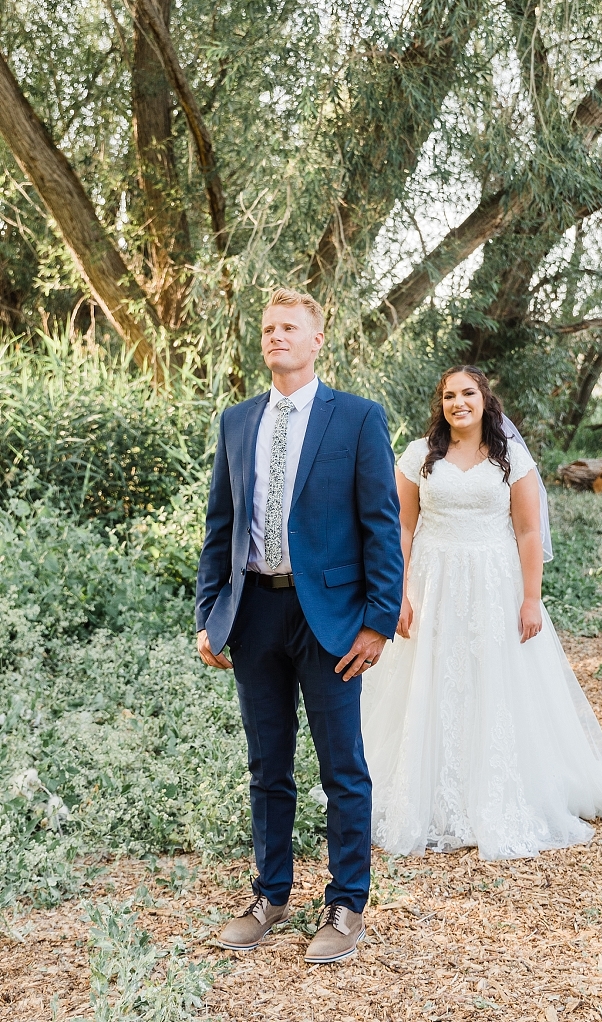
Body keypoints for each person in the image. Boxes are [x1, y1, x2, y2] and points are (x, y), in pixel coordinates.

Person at [361, 365, 602, 859]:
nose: (457, 402)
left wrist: (530, 598)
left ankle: (495, 792)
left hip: (493, 584)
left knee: (493, 682)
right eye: (448, 396)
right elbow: (401, 529)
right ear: (440, 404)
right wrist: (398, 593)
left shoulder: (512, 459)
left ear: (485, 399)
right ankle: (428, 794)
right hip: (432, 582)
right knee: (432, 681)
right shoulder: (419, 456)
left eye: (467, 393)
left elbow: (527, 532)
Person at [195, 288, 403, 962]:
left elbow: (381, 525)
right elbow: (219, 529)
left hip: (332, 617)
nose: (275, 336)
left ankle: (346, 906)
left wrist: (376, 621)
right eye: (266, 328)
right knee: (267, 765)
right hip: (254, 612)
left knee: (343, 765)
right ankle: (271, 894)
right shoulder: (236, 421)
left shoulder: (358, 420)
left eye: (288, 327)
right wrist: (210, 613)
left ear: (318, 341)